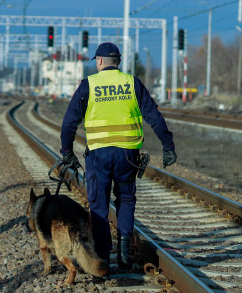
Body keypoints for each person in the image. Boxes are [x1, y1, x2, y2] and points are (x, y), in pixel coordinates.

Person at [60, 42, 177, 271]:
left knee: (99, 206)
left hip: (99, 156)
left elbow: (69, 123)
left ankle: (103, 259)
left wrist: (66, 152)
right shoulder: (132, 83)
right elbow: (154, 116)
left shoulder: (89, 85)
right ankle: (124, 255)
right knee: (125, 200)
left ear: (100, 61)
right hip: (127, 156)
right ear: (119, 62)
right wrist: (168, 145)